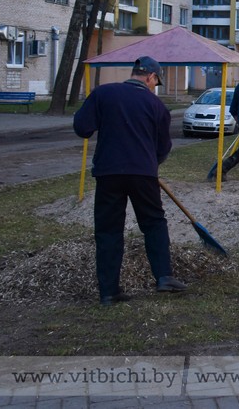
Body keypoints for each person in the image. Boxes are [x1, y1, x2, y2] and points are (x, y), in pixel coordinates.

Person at [72, 56, 187, 305]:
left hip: (108, 172)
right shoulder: (157, 106)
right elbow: (163, 148)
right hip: (143, 173)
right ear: (151, 77)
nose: (155, 87)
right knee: (154, 222)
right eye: (156, 82)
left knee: (108, 230)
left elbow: (82, 128)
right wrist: (150, 164)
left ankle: (109, 291)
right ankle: (164, 276)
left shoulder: (103, 94)